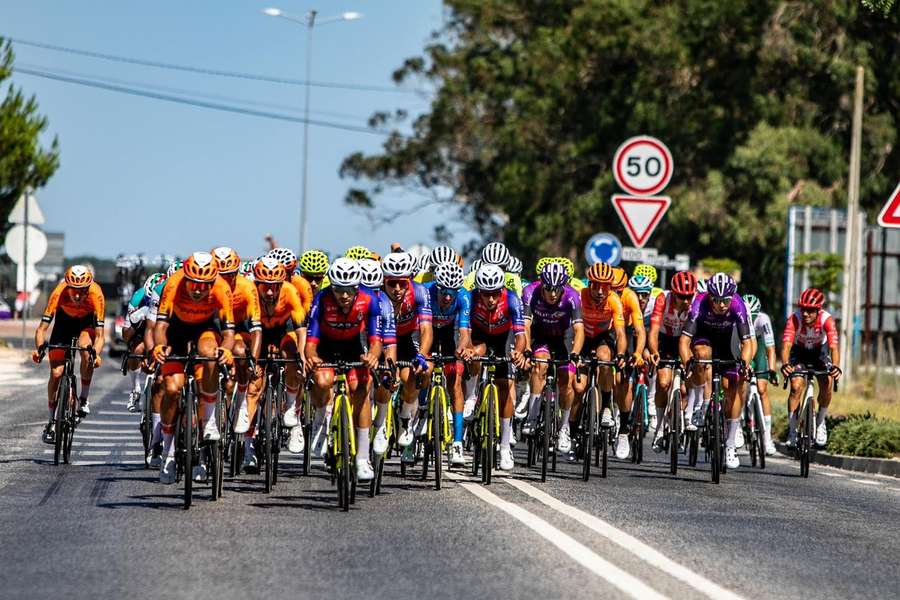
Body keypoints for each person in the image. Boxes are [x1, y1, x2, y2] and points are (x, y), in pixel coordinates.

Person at [151, 252, 235, 483]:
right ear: (185, 278)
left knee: (210, 354)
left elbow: (228, 334)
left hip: (206, 328)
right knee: (172, 389)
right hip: (176, 330)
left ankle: (208, 420)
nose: (198, 290)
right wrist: (159, 346)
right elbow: (160, 326)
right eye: (193, 284)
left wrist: (226, 349)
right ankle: (168, 452)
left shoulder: (221, 287)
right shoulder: (174, 284)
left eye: (204, 285)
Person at [305, 258, 383, 481]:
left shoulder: (370, 300)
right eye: (339, 289)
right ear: (332, 287)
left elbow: (376, 340)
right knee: (322, 381)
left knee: (361, 390)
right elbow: (310, 344)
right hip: (327, 347)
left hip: (354, 347)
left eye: (349, 290)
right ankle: (321, 417)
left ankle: (362, 458)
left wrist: (372, 356)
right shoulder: (321, 299)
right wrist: (311, 359)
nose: (344, 295)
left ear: (357, 288)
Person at [679, 273, 753, 469]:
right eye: (717, 300)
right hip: (704, 338)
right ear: (709, 296)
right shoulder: (699, 304)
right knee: (701, 356)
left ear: (732, 297)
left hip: (728, 342)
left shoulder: (738, 305)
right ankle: (699, 405)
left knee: (733, 385)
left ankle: (730, 445)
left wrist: (744, 364)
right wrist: (688, 363)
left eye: (725, 300)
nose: (721, 305)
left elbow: (747, 342)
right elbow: (684, 341)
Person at [462, 263, 527, 472]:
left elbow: (520, 336)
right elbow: (465, 331)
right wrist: (468, 350)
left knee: (506, 385)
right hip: (480, 336)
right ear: (478, 291)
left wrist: (517, 352)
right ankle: (472, 397)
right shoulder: (470, 299)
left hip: (503, 339)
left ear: (501, 290)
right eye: (485, 294)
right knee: (474, 355)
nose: (490, 299)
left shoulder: (512, 300)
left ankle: (505, 446)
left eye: (495, 294)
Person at [34, 266, 105, 444]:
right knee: (56, 373)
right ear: (67, 286)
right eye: (74, 290)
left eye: (83, 290)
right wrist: (39, 348)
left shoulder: (96, 294)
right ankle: (51, 421)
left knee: (85, 349)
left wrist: (96, 353)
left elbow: (101, 336)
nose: (78, 295)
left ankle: (83, 399)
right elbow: (41, 329)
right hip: (64, 323)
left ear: (88, 287)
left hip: (86, 324)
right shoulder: (59, 292)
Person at [520, 263, 584, 457]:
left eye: (557, 288)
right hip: (541, 336)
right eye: (548, 288)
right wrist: (527, 348)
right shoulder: (530, 292)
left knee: (567, 381)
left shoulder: (572, 296)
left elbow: (579, 330)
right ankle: (532, 416)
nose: (553, 293)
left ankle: (564, 428)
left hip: (563, 338)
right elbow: (525, 324)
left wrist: (575, 353)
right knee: (539, 364)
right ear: (542, 284)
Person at [381, 251, 434, 464]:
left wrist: (421, 355)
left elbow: (426, 330)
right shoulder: (377, 295)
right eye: (391, 283)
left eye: (402, 284)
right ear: (384, 280)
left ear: (409, 280)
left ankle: (405, 417)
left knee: (413, 376)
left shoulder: (420, 292)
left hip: (404, 339)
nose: (397, 289)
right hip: (380, 340)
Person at [781, 287, 841, 447]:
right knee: (795, 387)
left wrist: (835, 366)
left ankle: (821, 422)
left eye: (810, 310)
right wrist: (786, 364)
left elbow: (834, 347)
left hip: (819, 353)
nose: (805, 313)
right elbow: (786, 346)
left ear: (818, 310)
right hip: (799, 352)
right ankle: (793, 432)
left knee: (827, 381)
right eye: (803, 309)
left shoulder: (827, 320)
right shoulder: (794, 319)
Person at [425, 261, 472, 466]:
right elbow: (421, 331)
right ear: (437, 286)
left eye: (451, 293)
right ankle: (415, 422)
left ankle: (457, 443)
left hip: (449, 333)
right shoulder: (426, 293)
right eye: (443, 292)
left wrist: (461, 349)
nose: (446, 297)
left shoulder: (463, 297)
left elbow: (463, 333)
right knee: (423, 370)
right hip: (427, 331)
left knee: (456, 378)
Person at [646, 270, 697, 452]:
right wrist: (653, 351)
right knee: (663, 382)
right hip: (665, 340)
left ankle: (685, 417)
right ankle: (660, 428)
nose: (685, 301)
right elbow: (653, 331)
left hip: (686, 340)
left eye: (689, 296)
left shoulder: (695, 304)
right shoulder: (662, 299)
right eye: (681, 296)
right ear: (673, 293)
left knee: (685, 387)